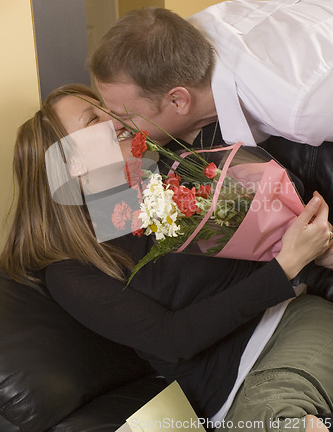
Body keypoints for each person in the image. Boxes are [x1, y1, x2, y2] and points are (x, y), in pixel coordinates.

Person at [2, 83, 333, 432]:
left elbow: (277, 229)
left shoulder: (178, 175)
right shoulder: (72, 271)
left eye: (105, 108)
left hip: (288, 327)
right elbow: (172, 339)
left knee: (271, 417)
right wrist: (285, 267)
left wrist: (306, 255)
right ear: (73, 165)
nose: (115, 118)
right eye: (93, 119)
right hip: (227, 400)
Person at [90, 0, 333, 149]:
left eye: (125, 116)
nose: (114, 125)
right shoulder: (183, 37)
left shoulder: (299, 107)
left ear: (178, 100)